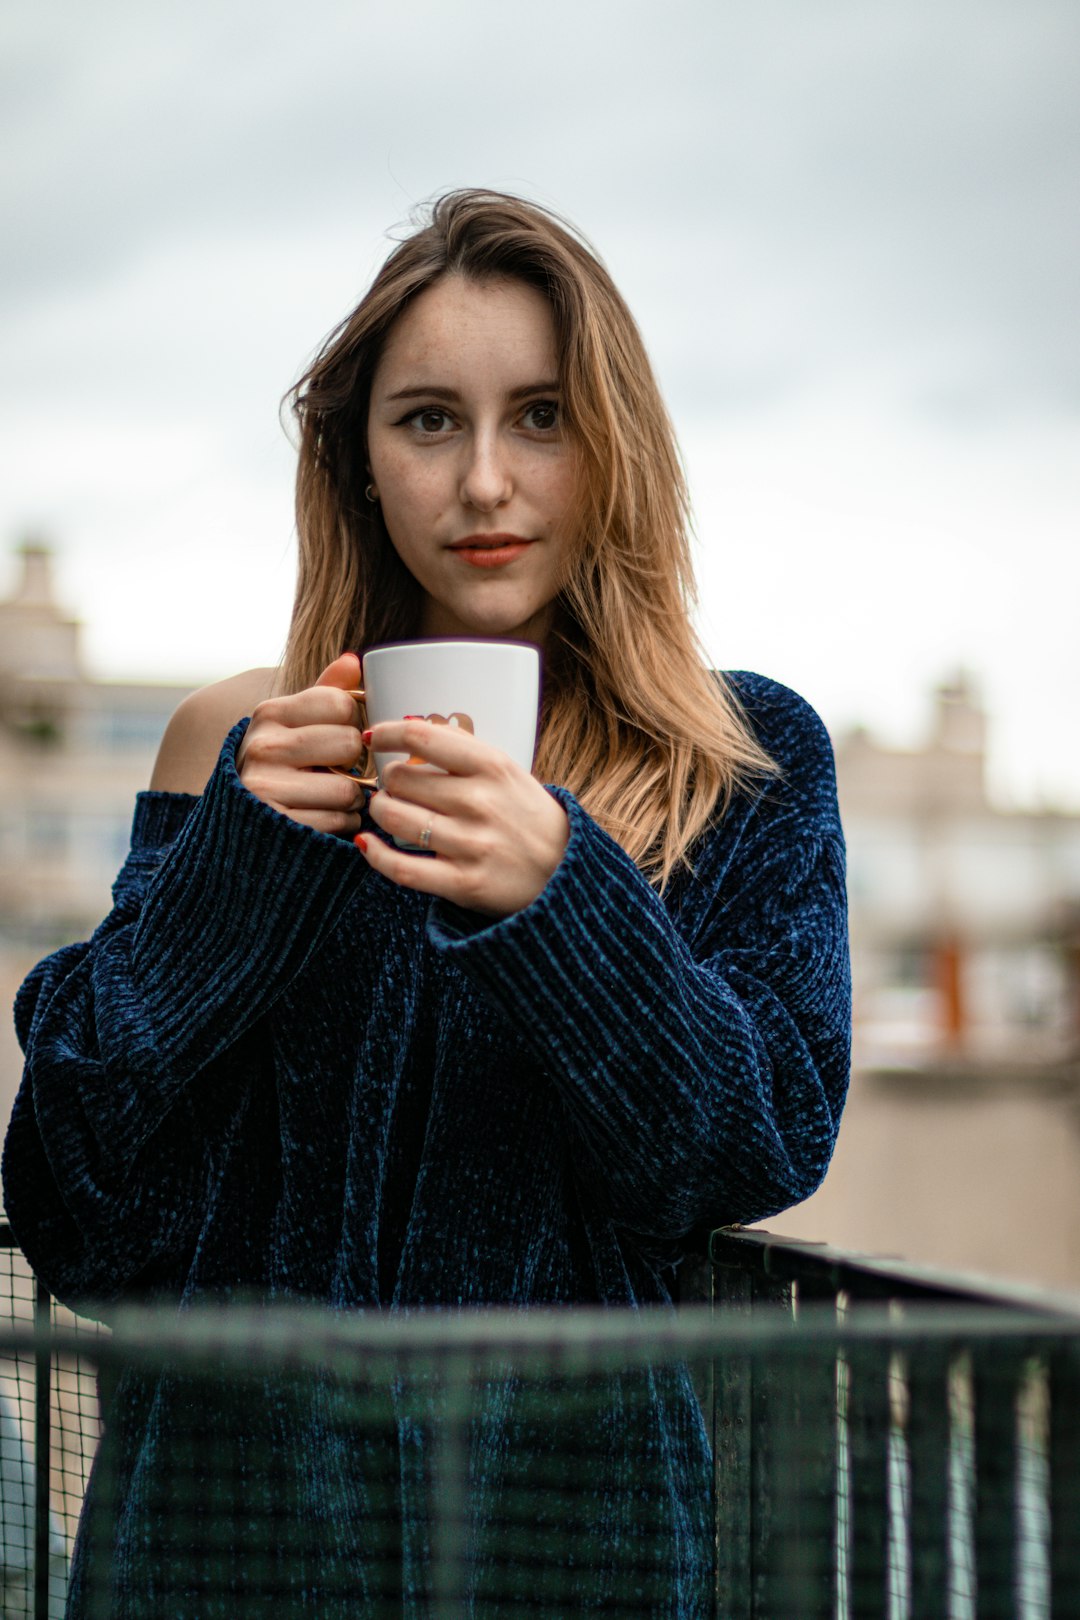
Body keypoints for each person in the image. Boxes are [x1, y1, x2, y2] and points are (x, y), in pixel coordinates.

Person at [2, 190, 851, 1616]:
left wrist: (565, 900)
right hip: (214, 1557)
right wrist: (234, 878)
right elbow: (75, 1206)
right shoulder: (237, 739)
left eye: (540, 416)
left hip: (578, 1566)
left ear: (615, 449)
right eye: (428, 421)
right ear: (358, 462)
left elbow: (749, 1143)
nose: (484, 487)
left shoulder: (736, 759)